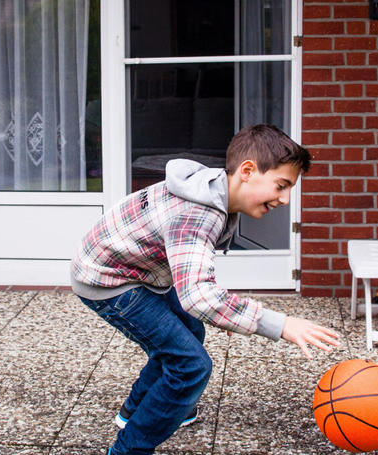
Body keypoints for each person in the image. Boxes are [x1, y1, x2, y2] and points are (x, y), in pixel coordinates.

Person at [71, 124, 341, 455]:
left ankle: (134, 411)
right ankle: (129, 450)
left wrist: (222, 313)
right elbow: (199, 296)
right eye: (281, 186)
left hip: (135, 269)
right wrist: (282, 325)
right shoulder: (201, 212)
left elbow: (196, 278)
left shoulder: (213, 188)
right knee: (191, 365)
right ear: (247, 171)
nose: (285, 199)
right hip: (109, 280)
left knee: (190, 329)